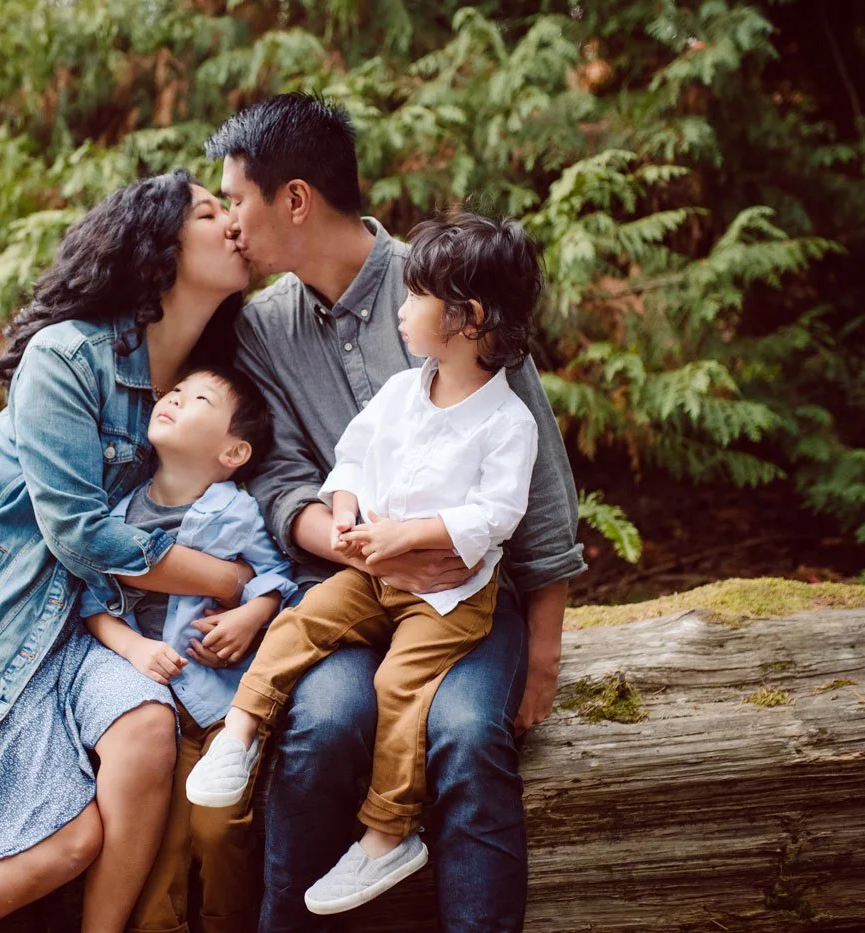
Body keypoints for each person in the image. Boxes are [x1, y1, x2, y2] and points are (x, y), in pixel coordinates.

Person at [0, 170, 262, 933]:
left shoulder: (210, 378)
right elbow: (81, 533)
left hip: (87, 618)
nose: (233, 222)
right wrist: (227, 578)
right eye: (209, 210)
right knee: (67, 836)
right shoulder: (69, 354)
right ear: (156, 246)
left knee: (145, 728)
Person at [209, 93, 587, 932]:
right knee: (326, 724)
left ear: (294, 199)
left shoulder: (449, 286)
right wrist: (357, 546)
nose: (231, 220)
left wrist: (546, 653)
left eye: (238, 198)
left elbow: (542, 488)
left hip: (464, 598)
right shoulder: (266, 327)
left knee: (461, 734)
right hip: (350, 586)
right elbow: (279, 478)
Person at [78, 363, 297, 933]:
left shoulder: (237, 510)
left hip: (223, 703)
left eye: (198, 398)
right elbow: (92, 605)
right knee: (161, 842)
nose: (173, 398)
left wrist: (252, 615)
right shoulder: (118, 515)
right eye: (174, 391)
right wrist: (133, 650)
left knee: (219, 828)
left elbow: (278, 580)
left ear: (233, 452)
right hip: (149, 707)